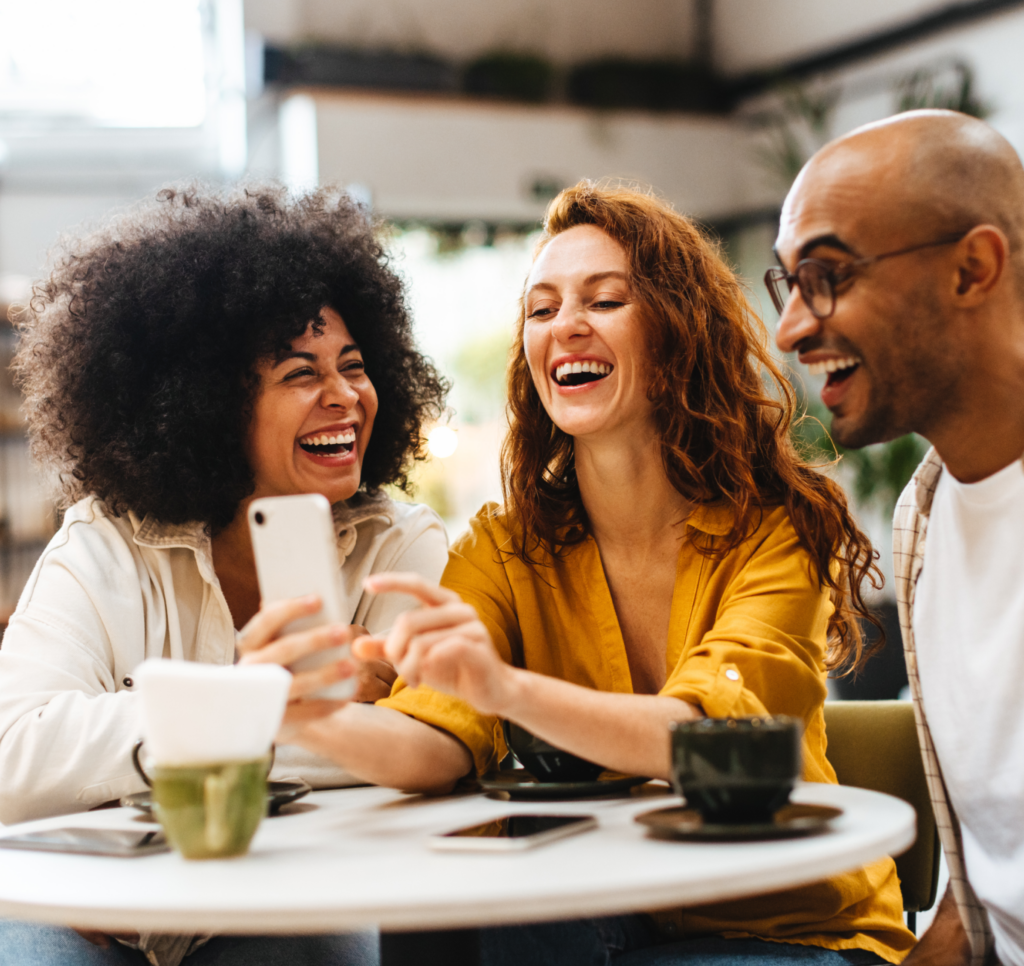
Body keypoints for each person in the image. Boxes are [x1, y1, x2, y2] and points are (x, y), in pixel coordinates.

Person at [245, 182, 915, 965]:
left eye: (604, 300)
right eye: (541, 310)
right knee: (468, 915)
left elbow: (708, 736)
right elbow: (432, 740)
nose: (565, 326)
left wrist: (503, 688)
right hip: (607, 910)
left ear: (675, 335)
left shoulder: (776, 529)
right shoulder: (503, 548)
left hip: (786, 930)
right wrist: (302, 715)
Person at [0, 185, 449, 966]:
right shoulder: (105, 544)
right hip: (101, 900)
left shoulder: (397, 547)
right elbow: (13, 761)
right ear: (208, 403)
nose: (344, 395)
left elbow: (431, 750)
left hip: (287, 899)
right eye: (299, 373)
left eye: (354, 365)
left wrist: (132, 738)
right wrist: (259, 703)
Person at [771, 109, 1024, 966]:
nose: (791, 329)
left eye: (828, 275)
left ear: (972, 268)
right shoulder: (923, 523)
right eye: (788, 286)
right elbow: (979, 901)